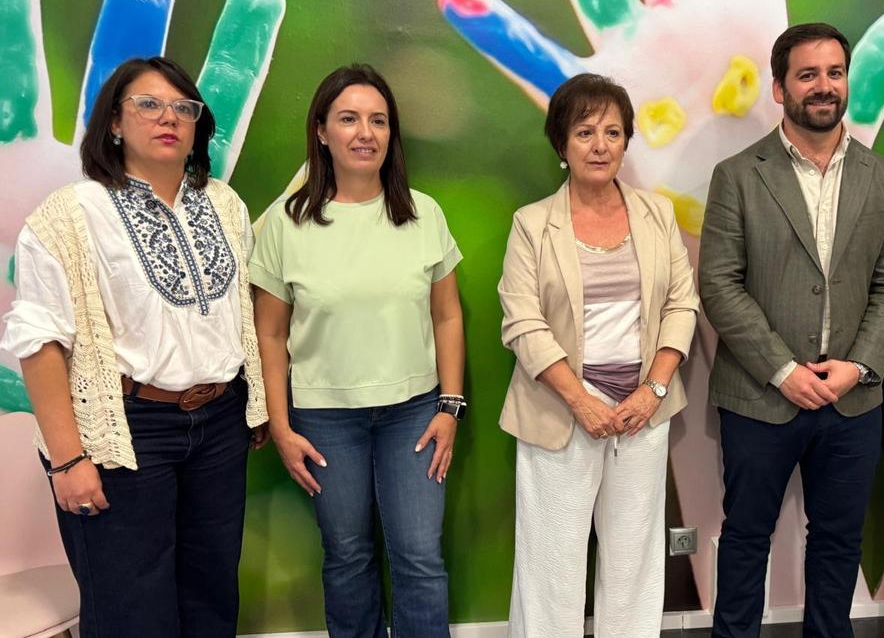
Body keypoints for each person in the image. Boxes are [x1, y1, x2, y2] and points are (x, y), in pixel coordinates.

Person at [0, 56, 268, 637]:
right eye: (148, 104)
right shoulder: (71, 215)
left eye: (184, 108)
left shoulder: (225, 204)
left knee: (212, 594)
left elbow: (241, 314)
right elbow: (39, 338)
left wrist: (255, 405)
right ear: (115, 123)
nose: (168, 117)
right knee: (131, 610)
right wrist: (70, 459)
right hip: (126, 431)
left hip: (220, 423)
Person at [698, 23, 884, 638]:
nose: (824, 86)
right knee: (745, 539)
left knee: (839, 543)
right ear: (779, 88)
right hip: (761, 396)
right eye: (808, 74)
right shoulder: (738, 174)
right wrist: (784, 370)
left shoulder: (882, 176)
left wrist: (860, 365)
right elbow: (719, 284)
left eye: (835, 73)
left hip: (853, 399)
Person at [250, 64, 465, 638]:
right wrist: (280, 425)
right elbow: (268, 334)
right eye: (348, 119)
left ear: (391, 134)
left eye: (378, 120)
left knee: (420, 557)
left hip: (414, 414)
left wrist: (451, 406)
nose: (364, 132)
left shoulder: (423, 214)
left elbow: (447, 314)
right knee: (347, 557)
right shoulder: (286, 226)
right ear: (322, 131)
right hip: (323, 420)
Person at [498, 73, 699, 638]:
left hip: (643, 411)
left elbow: (682, 305)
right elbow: (523, 322)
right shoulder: (532, 224)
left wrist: (651, 390)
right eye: (585, 132)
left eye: (613, 131)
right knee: (551, 564)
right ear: (561, 144)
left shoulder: (657, 215)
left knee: (634, 557)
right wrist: (582, 401)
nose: (600, 144)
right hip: (560, 412)